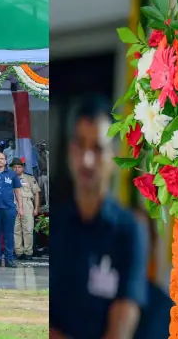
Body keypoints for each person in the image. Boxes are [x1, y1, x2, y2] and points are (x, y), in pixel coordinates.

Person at [51, 99, 153, 339]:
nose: (86, 160)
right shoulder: (53, 224)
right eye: (80, 144)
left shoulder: (130, 230)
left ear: (114, 155)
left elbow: (121, 329)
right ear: (69, 150)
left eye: (97, 148)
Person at [12, 157, 39, 259]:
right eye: (14, 167)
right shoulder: (8, 178)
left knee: (28, 229)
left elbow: (36, 194)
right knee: (16, 229)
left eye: (19, 167)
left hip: (27, 204)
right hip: (13, 204)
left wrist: (36, 208)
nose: (17, 169)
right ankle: (18, 252)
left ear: (22, 168)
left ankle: (28, 252)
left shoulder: (30, 178)